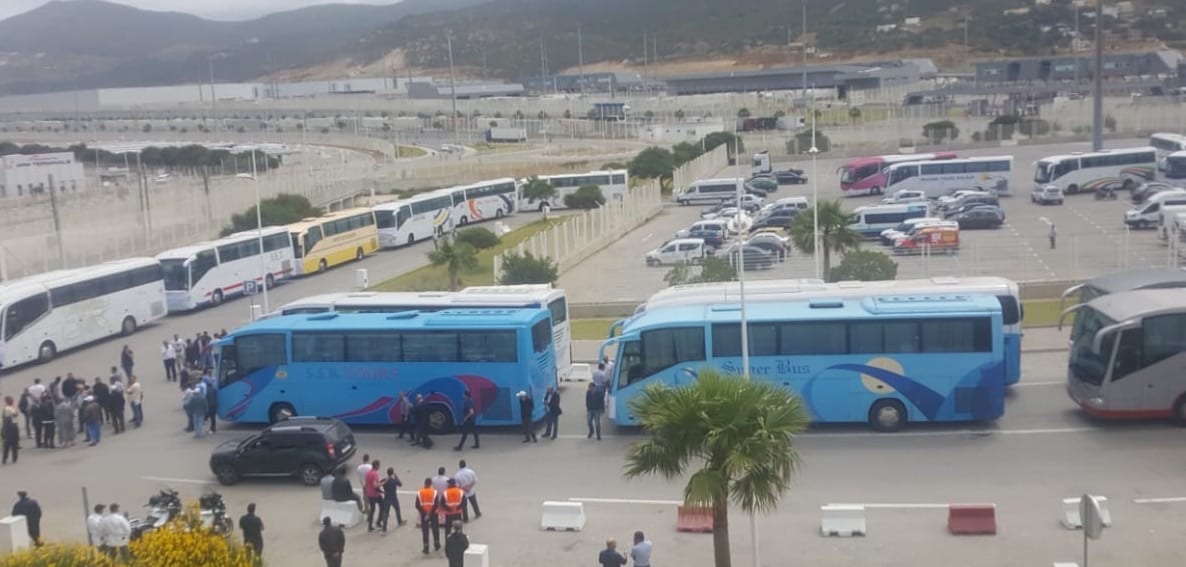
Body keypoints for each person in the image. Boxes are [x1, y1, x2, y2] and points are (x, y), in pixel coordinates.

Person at [415, 477, 441, 555]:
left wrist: (424, 513)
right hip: (433, 514)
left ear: (425, 483)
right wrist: (430, 513)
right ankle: (437, 545)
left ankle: (426, 548)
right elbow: (436, 504)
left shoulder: (420, 492)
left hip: (424, 515)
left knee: (425, 531)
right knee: (435, 530)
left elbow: (417, 505)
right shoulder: (434, 492)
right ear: (430, 484)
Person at [378, 467, 406, 532]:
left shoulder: (384, 480)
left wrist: (382, 491)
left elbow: (378, 484)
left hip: (387, 498)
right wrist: (396, 476)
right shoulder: (394, 480)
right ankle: (399, 521)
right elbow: (400, 484)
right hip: (393, 497)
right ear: (392, 473)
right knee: (397, 510)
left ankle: (384, 529)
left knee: (386, 513)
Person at [364, 459, 383, 532]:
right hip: (375, 494)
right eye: (379, 465)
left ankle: (370, 526)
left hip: (369, 494)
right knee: (382, 507)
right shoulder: (375, 474)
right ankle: (378, 522)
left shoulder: (368, 473)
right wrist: (382, 483)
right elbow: (375, 485)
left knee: (372, 509)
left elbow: (367, 484)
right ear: (376, 465)